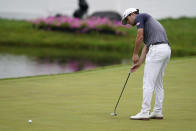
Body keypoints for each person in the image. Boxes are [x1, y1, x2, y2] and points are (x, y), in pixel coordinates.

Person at [121, 8, 171, 120]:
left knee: (148, 83)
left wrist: (134, 54)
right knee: (158, 83)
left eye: (127, 19)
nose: (128, 23)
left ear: (132, 14)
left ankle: (144, 111)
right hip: (165, 49)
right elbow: (147, 46)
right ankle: (158, 111)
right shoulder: (148, 22)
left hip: (157, 50)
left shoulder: (140, 16)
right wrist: (139, 63)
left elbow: (140, 36)